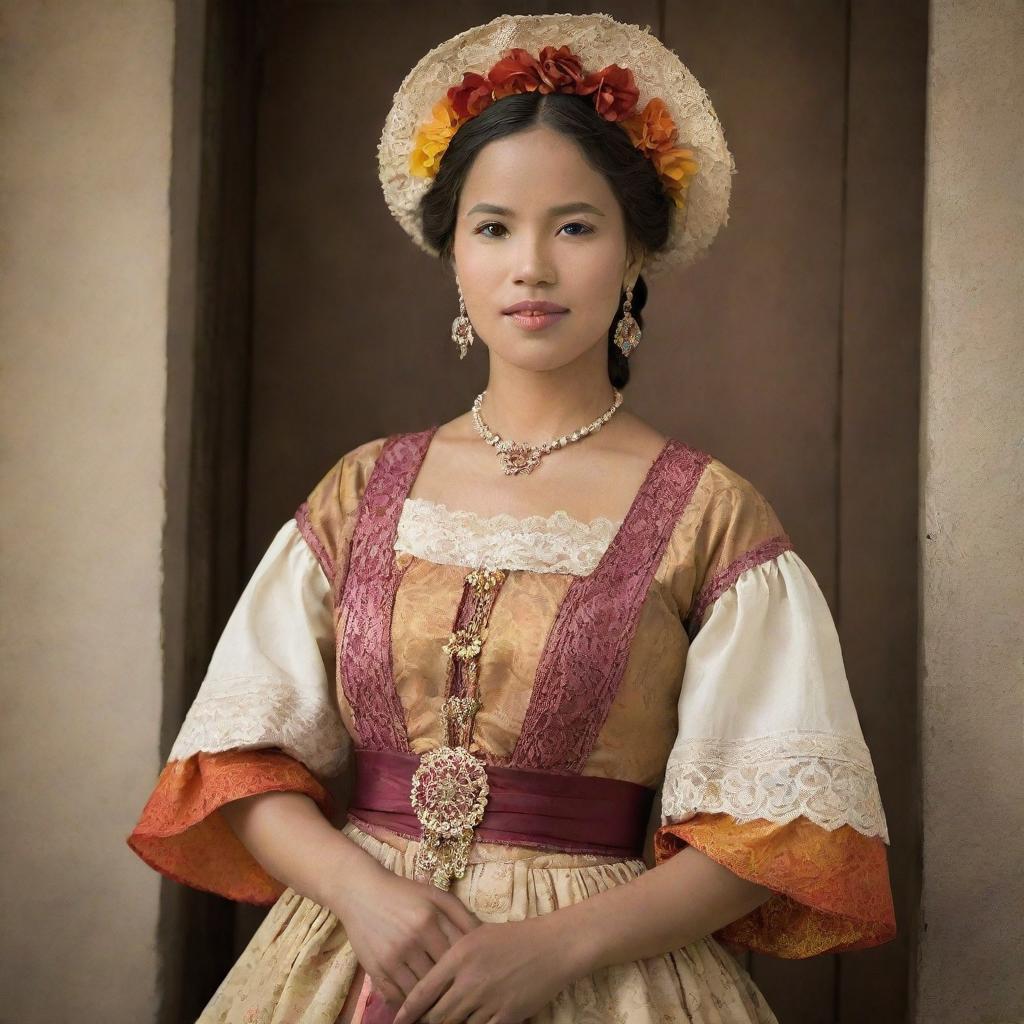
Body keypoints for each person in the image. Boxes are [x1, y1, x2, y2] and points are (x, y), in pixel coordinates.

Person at [127, 12, 896, 1023]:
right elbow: (234, 760)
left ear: (632, 256)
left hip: (601, 970)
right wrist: (364, 893)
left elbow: (777, 829)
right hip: (356, 955)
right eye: (493, 226)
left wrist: (555, 946)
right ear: (453, 253)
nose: (531, 265)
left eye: (574, 226)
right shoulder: (361, 490)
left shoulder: (709, 513)